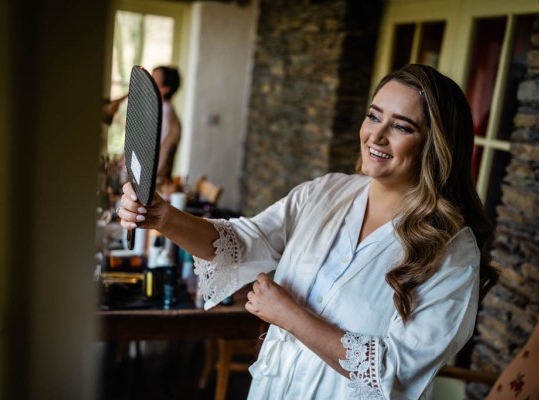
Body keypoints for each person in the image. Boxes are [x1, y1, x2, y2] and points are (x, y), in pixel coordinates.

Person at [117, 64, 498, 399]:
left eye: (401, 126)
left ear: (435, 144)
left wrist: (289, 315)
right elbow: (243, 241)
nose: (376, 136)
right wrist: (163, 218)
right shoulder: (326, 192)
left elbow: (394, 369)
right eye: (374, 116)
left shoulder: (451, 250)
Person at [151, 65, 182, 185]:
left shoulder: (165, 114)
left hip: (153, 184)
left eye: (153, 80)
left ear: (165, 89)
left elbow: (159, 154)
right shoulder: (161, 110)